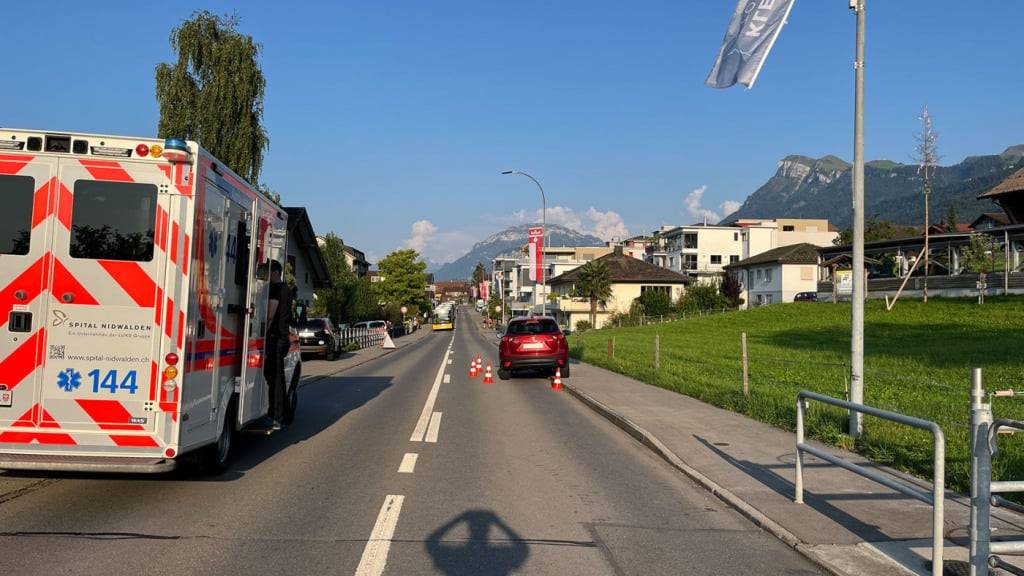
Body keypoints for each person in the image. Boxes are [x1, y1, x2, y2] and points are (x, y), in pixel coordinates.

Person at [264, 260, 292, 429]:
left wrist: (262, 331)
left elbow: (270, 314)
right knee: (277, 377)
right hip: (283, 337)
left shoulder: (275, 289)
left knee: (274, 378)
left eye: (267, 272)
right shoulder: (287, 289)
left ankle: (276, 415)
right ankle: (285, 413)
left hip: (275, 338)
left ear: (274, 272)